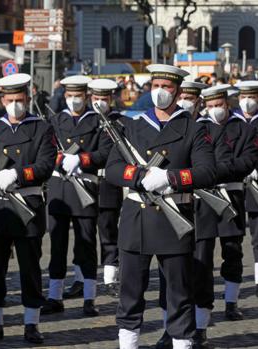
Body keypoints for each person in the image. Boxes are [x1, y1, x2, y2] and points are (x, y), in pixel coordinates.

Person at [106, 64, 216, 349]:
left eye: (166, 87)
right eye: (156, 86)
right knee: (130, 294)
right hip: (136, 219)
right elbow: (114, 169)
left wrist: (170, 178)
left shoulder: (193, 129)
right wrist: (141, 177)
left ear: (178, 92)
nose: (160, 92)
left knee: (179, 294)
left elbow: (207, 172)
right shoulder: (133, 125)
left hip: (173, 218)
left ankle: (181, 342)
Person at [156, 81, 233, 349]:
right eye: (183, 97)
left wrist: (186, 178)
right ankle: (169, 327)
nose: (185, 102)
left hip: (203, 206)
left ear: (198, 101)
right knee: (170, 274)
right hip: (173, 207)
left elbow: (218, 166)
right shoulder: (169, 127)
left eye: (190, 98)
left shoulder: (208, 128)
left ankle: (199, 326)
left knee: (200, 269)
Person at [0, 73, 56, 344]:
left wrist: (19, 175)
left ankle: (31, 323)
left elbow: (46, 165)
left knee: (30, 269)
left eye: (20, 99)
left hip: (28, 205)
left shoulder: (41, 128)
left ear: (28, 98)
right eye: (10, 100)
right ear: (2, 100)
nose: (15, 105)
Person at [43, 75, 112, 317]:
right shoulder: (56, 119)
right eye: (70, 96)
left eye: (78, 96)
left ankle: (89, 298)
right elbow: (44, 149)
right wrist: (59, 159)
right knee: (58, 245)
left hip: (84, 188)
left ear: (86, 96)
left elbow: (105, 152)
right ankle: (54, 296)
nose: (74, 100)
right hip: (59, 190)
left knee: (86, 245)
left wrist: (82, 159)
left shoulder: (98, 121)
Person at [201, 84, 258, 321]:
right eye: (211, 106)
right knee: (202, 254)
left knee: (232, 251)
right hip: (204, 198)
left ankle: (231, 302)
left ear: (227, 103)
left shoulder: (242, 129)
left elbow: (247, 161)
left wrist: (213, 171)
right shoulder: (199, 129)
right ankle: (202, 308)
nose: (216, 110)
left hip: (231, 196)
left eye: (219, 105)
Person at [89, 79, 124, 297]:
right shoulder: (85, 122)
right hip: (84, 181)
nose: (100, 103)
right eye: (96, 99)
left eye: (104, 99)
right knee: (85, 235)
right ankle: (85, 281)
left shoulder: (119, 122)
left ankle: (111, 277)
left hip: (108, 183)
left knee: (109, 231)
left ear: (111, 99)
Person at [236, 81, 258, 297]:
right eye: (243, 95)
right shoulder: (234, 122)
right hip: (232, 188)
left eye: (252, 95)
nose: (248, 100)